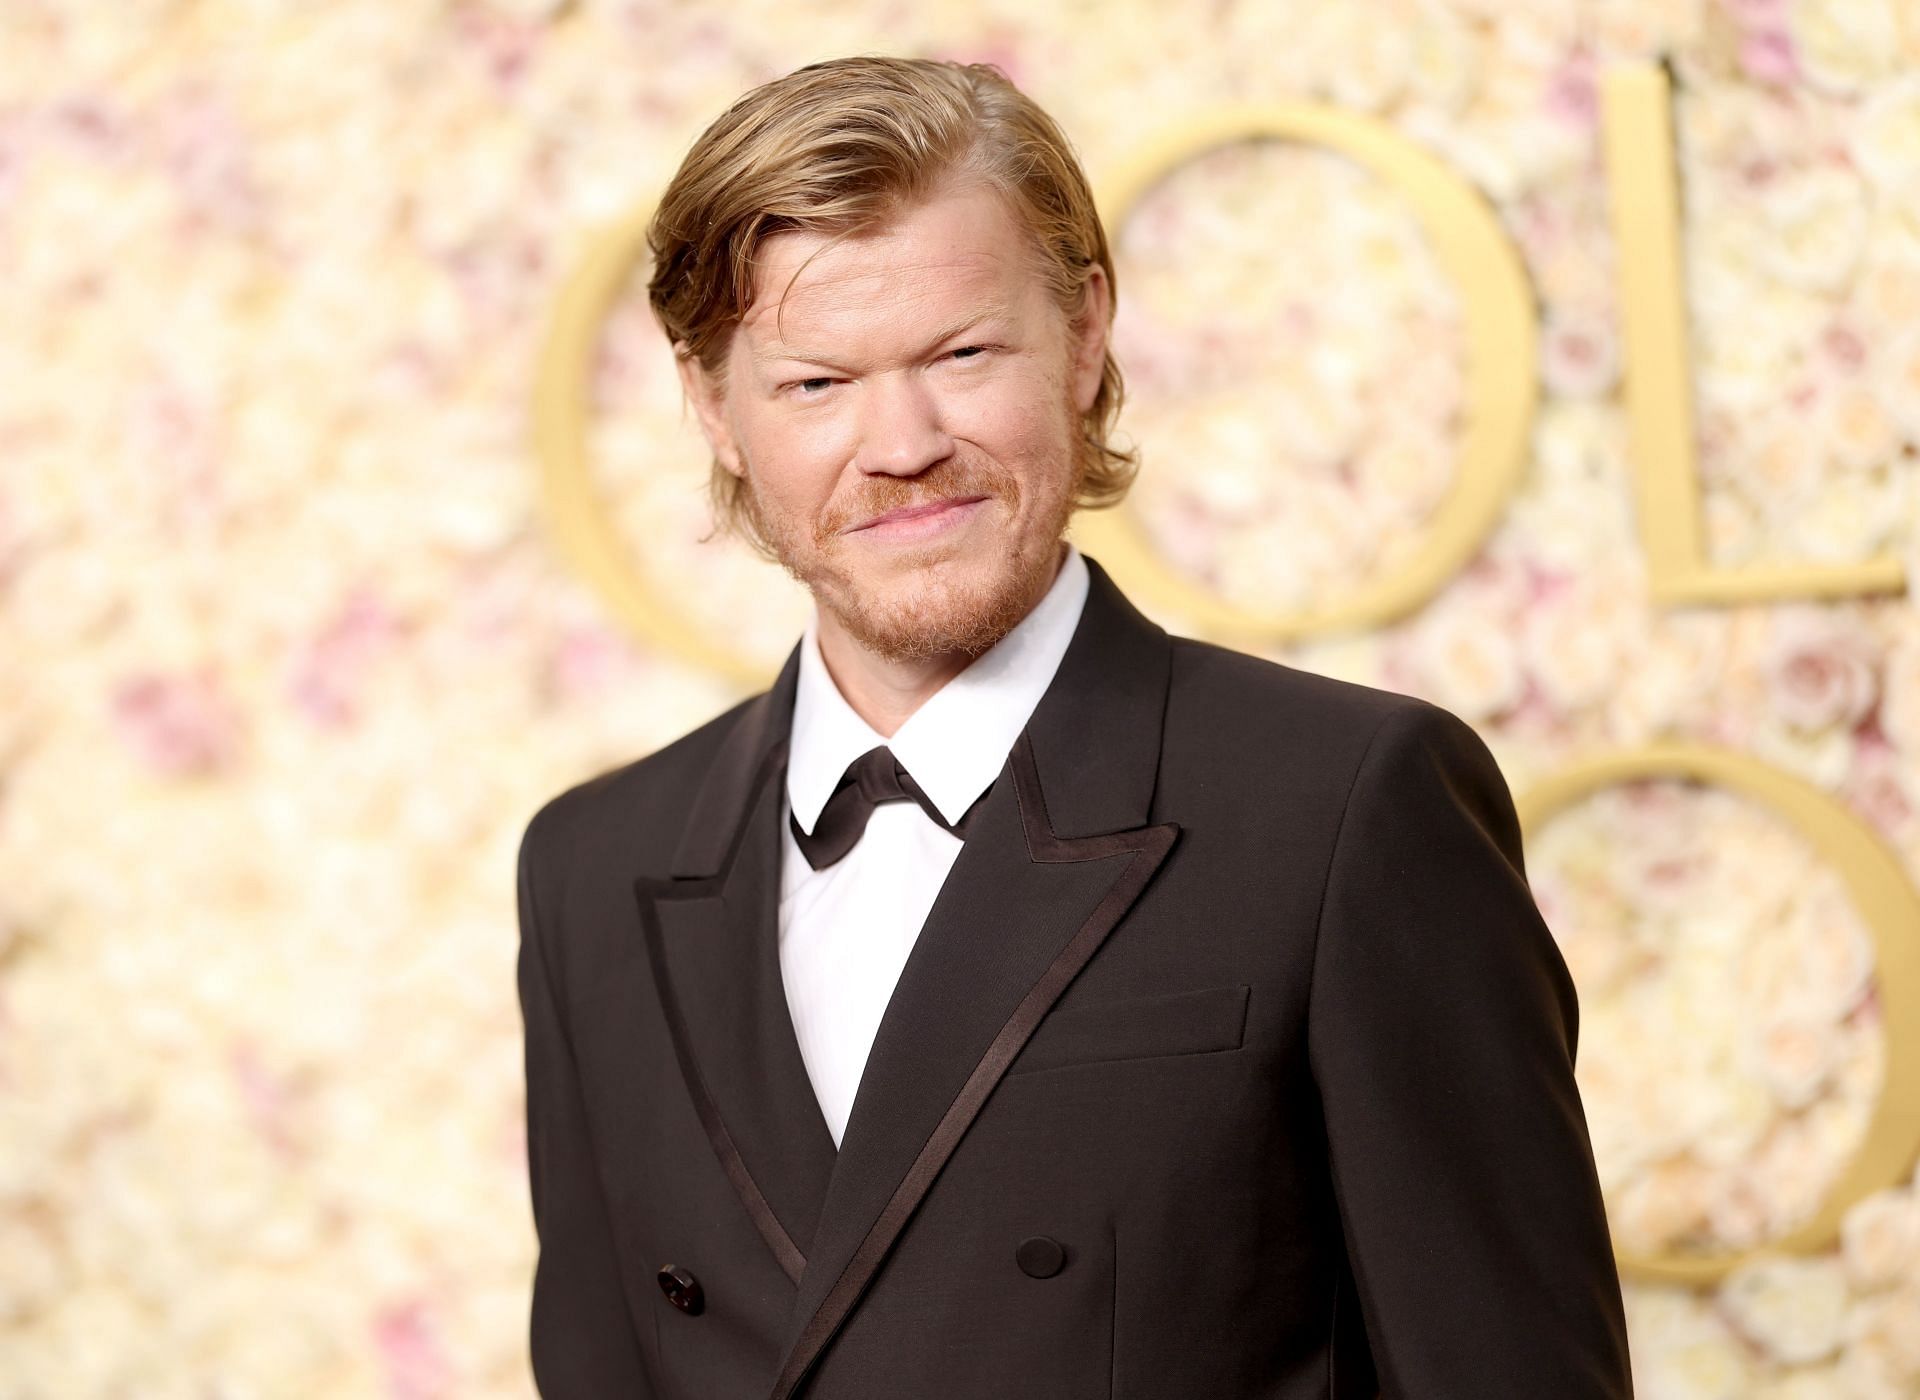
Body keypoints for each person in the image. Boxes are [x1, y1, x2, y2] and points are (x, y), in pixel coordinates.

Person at [514, 54, 1633, 1400]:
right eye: (817, 385)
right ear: (715, 408)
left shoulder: (1343, 806)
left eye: (962, 353)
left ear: (1086, 332)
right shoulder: (593, 866)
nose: (903, 443)